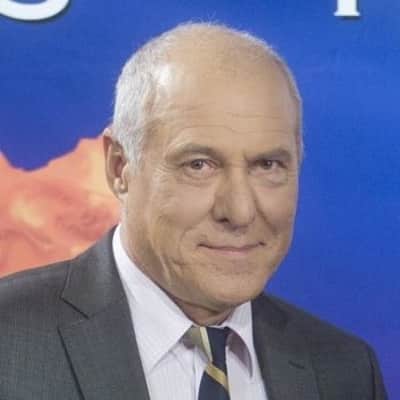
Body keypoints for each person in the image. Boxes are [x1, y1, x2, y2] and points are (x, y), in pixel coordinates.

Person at [0, 22, 387, 400]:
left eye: (267, 165)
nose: (240, 211)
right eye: (199, 165)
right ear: (120, 167)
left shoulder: (345, 371)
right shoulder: (9, 342)